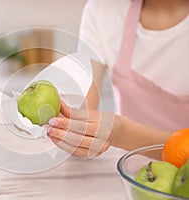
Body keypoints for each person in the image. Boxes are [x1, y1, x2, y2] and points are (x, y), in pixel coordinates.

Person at [46, 0, 189, 157]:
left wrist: (123, 133)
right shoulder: (102, 10)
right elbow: (81, 115)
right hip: (127, 172)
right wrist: (59, 114)